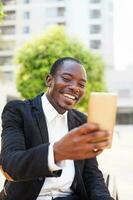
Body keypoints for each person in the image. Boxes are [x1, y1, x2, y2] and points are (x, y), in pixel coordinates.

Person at [0, 57, 114, 200]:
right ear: (49, 80)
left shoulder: (82, 121)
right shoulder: (18, 111)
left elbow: (91, 174)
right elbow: (11, 164)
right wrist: (56, 152)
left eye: (81, 84)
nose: (75, 87)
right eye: (66, 79)